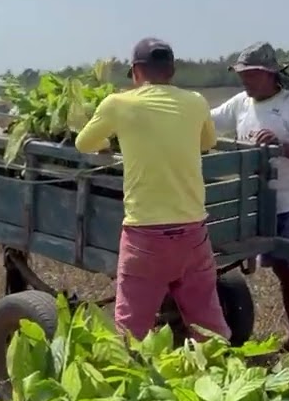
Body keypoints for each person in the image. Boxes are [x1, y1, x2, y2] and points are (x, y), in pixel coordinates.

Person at [74, 38, 230, 343]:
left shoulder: (118, 104)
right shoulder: (196, 102)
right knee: (209, 327)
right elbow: (208, 143)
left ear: (135, 72)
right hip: (193, 232)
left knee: (131, 332)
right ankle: (220, 364)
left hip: (145, 236)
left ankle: (131, 368)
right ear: (172, 71)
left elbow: (83, 143)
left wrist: (109, 143)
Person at [211, 42, 289, 354]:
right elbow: (208, 120)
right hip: (265, 205)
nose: (244, 80)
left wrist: (281, 146)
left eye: (250, 74)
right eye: (242, 74)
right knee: (283, 274)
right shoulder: (241, 103)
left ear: (269, 74)